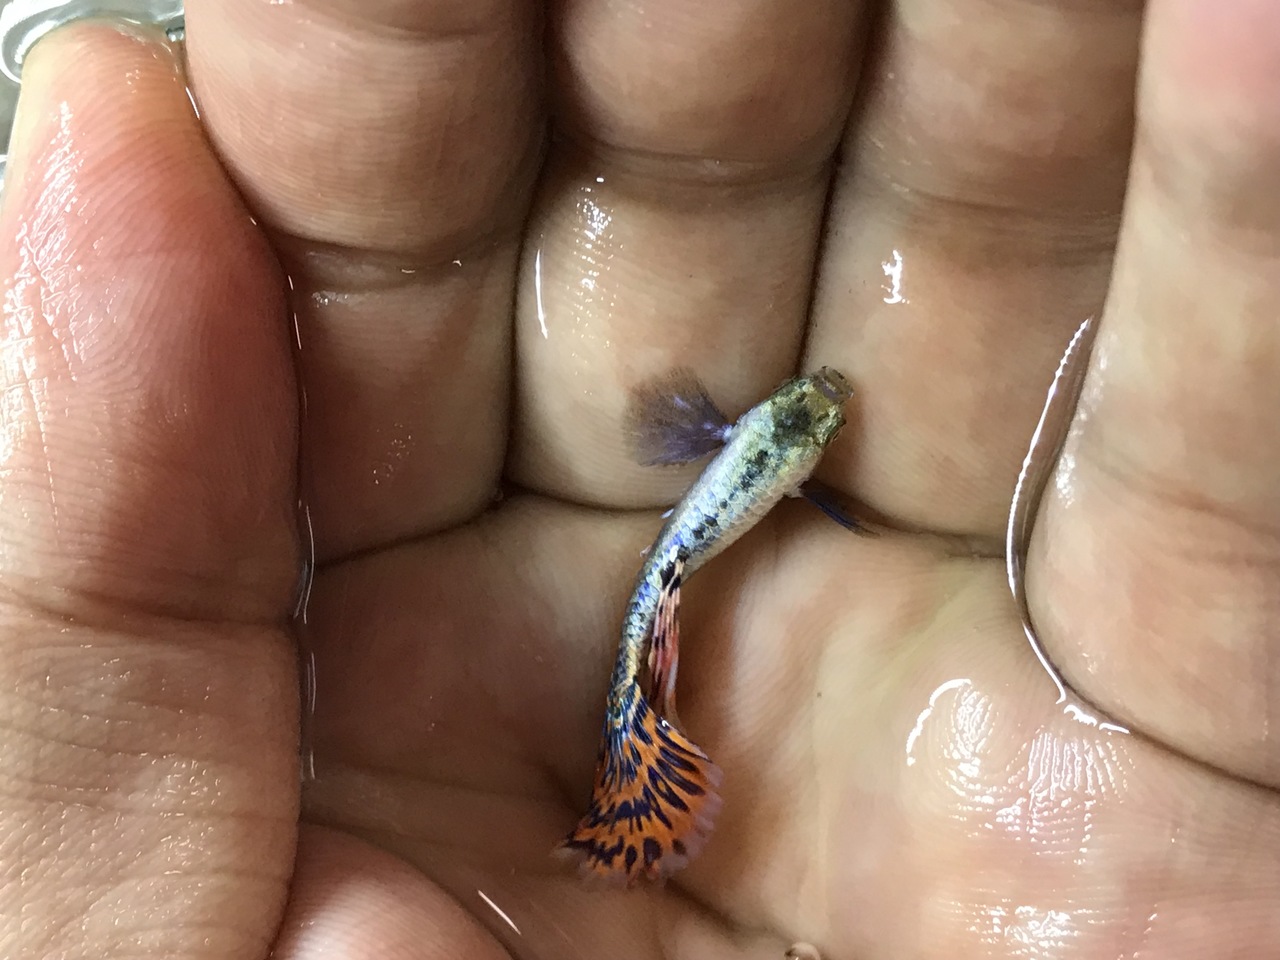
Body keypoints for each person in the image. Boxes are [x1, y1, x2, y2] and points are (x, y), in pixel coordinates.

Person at [0, 1, 1277, 956]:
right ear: (777, 442)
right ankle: (633, 775)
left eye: (810, 430)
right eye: (808, 423)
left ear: (781, 451)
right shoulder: (764, 470)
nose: (814, 427)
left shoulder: (763, 457)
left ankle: (635, 772)